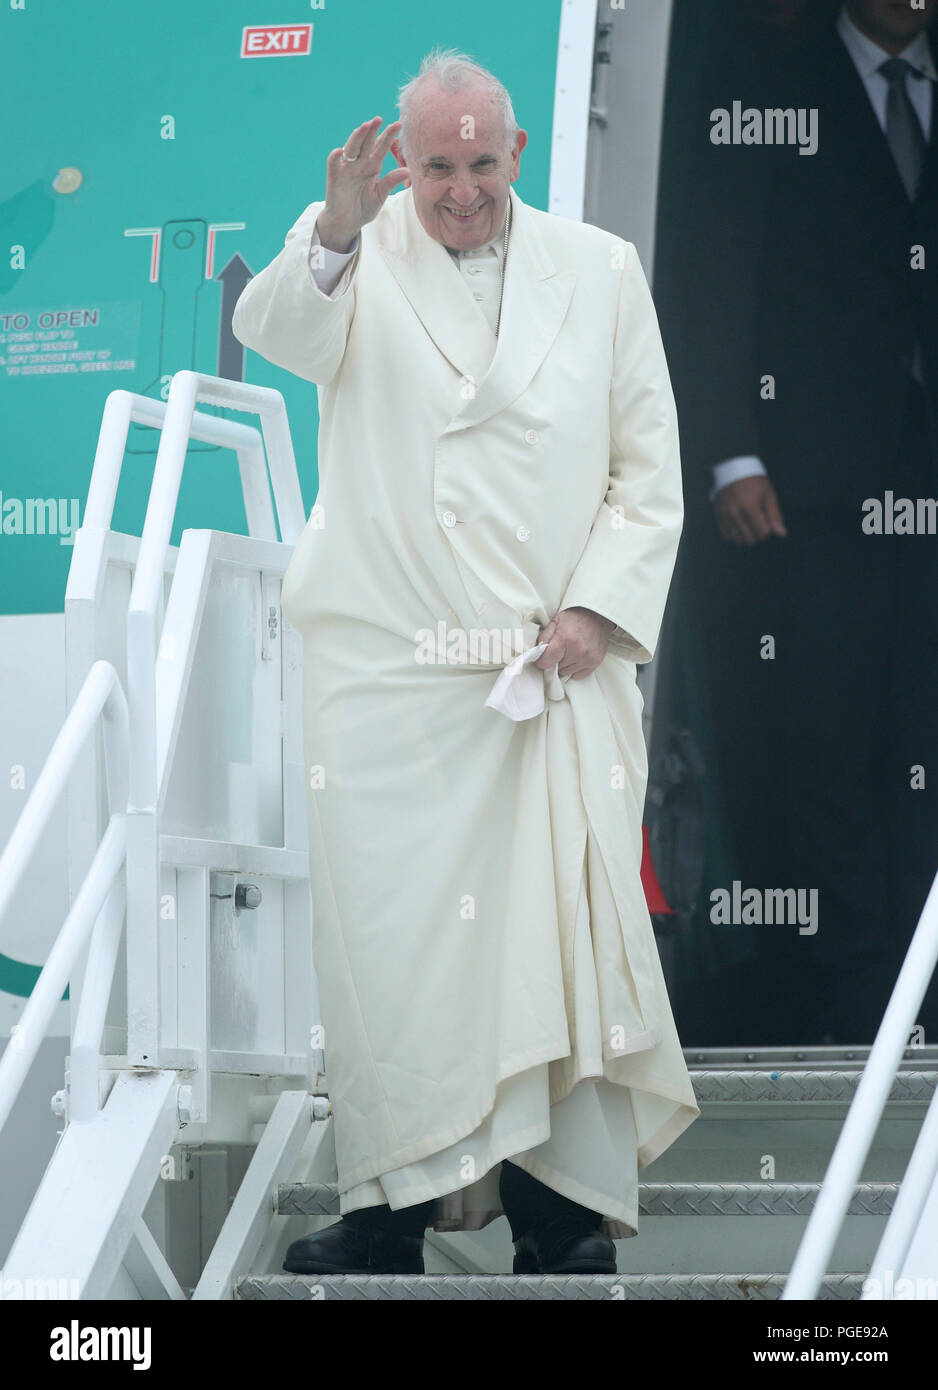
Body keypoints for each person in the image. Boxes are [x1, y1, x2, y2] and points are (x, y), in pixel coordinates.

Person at [232, 48, 698, 1277]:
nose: (455, 192)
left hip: (552, 666)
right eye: (433, 166)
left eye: (479, 165)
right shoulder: (350, 245)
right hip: (393, 675)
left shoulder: (601, 271)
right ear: (404, 158)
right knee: (396, 954)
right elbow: (274, 331)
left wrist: (596, 612)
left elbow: (645, 472)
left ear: (516, 156)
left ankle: (556, 1210)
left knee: (549, 941)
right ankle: (390, 1208)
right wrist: (332, 227)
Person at [694, 0, 938, 1042]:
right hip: (810, 489)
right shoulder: (770, 89)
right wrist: (729, 446)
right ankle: (854, 1004)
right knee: (828, 739)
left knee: (921, 736)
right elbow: (714, 274)